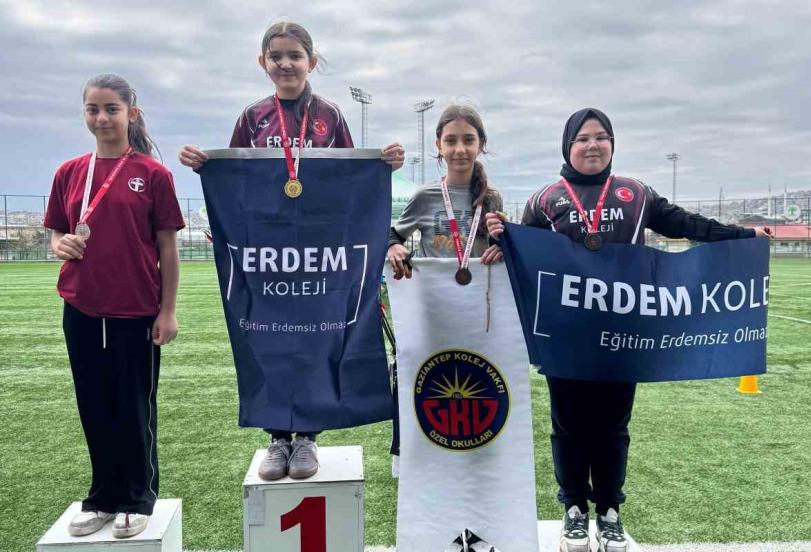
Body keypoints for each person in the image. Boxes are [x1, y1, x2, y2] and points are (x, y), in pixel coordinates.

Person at [486, 108, 770, 552]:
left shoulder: (636, 193)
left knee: (613, 426)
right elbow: (524, 256)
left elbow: (685, 225)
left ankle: (609, 511)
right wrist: (500, 235)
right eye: (583, 138)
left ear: (613, 143)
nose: (592, 145)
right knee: (567, 425)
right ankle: (574, 508)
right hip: (567, 336)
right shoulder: (545, 200)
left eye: (601, 137)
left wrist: (743, 236)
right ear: (567, 146)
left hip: (624, 333)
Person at [178, 21, 405, 482]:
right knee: (270, 339)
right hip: (269, 256)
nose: (285, 63)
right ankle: (278, 437)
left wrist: (383, 164)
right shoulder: (252, 117)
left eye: (295, 55)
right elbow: (238, 182)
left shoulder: (330, 115)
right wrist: (207, 167)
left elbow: (348, 179)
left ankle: (307, 438)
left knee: (319, 338)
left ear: (311, 62)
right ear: (262, 62)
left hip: (320, 254)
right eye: (276, 56)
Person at [44, 74, 184, 539]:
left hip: (136, 310)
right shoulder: (69, 172)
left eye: (111, 109)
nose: (101, 118)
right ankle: (102, 497)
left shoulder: (153, 175)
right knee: (93, 405)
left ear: (131, 114)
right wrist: (59, 244)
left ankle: (137, 498)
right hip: (82, 307)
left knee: (134, 406)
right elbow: (56, 231)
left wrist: (167, 310)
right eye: (93, 109)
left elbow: (168, 249)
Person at [387, 104, 502, 281]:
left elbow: (498, 249)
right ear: (439, 146)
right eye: (450, 141)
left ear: (480, 144)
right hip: (433, 296)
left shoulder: (492, 198)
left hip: (478, 296)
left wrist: (502, 246)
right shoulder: (425, 196)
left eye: (468, 140)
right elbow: (392, 234)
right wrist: (393, 247)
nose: (460, 149)